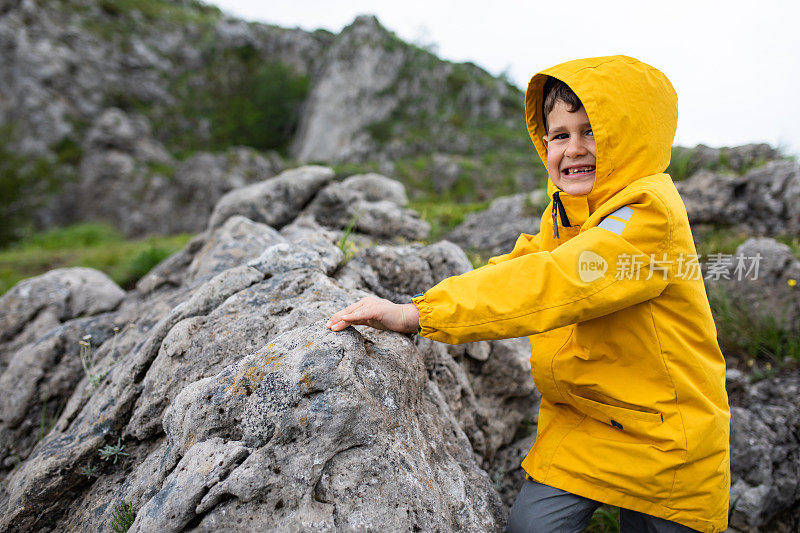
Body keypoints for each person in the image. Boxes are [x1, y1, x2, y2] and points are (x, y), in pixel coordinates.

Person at [326, 55, 730, 533]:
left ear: (633, 137)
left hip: (666, 433)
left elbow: (556, 280)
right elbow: (523, 265)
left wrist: (420, 316)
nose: (574, 149)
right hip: (587, 421)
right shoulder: (568, 211)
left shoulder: (648, 213)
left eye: (592, 132)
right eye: (560, 135)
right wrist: (418, 303)